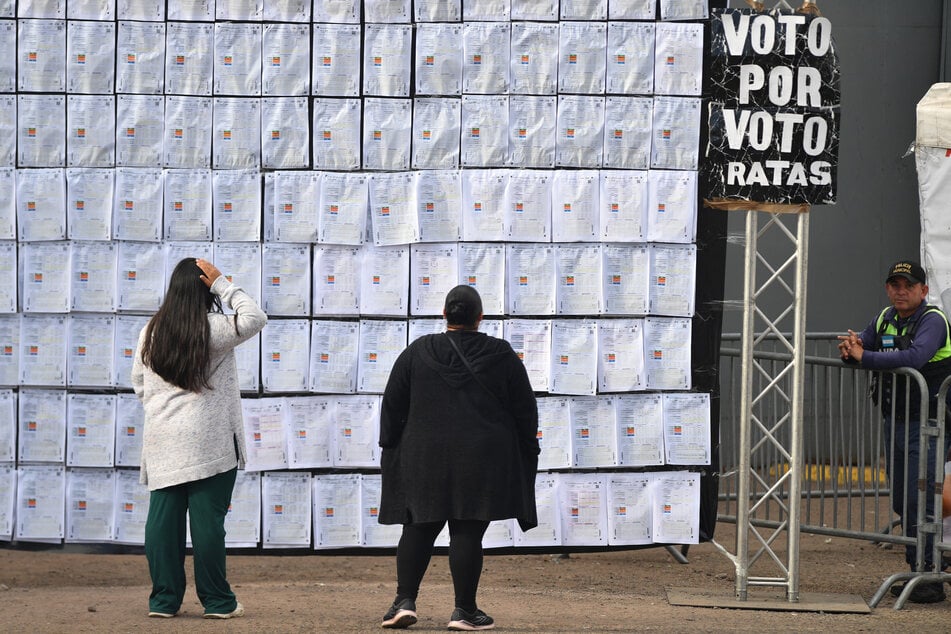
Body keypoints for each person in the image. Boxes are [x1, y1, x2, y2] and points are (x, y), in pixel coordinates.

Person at [377, 285, 539, 631]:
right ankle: (464, 611)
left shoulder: (417, 351)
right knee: (467, 531)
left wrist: (390, 444)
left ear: (444, 315)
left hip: (423, 456)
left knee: (418, 528)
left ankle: (403, 602)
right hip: (481, 458)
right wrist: (528, 448)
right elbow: (525, 409)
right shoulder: (501, 353)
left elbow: (392, 404)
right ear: (480, 318)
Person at [131, 258, 267, 618]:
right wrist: (224, 283)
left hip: (162, 439)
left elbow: (139, 385)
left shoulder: (151, 331)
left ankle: (163, 601)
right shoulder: (214, 329)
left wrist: (166, 414)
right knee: (208, 527)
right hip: (211, 442)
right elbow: (255, 317)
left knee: (162, 524)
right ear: (204, 289)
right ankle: (218, 602)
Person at [839, 259, 951, 603]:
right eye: (895, 284)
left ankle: (929, 576)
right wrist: (849, 351)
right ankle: (921, 564)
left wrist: (863, 356)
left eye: (908, 285)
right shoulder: (885, 318)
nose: (900, 291)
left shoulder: (933, 321)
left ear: (924, 290)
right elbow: (862, 345)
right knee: (904, 496)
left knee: (925, 498)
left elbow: (916, 358)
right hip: (897, 420)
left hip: (930, 423)